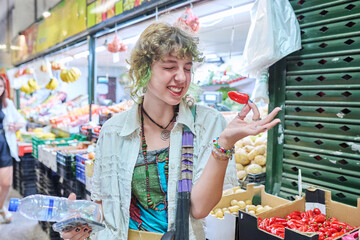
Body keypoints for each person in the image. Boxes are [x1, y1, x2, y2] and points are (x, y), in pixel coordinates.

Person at [62, 22, 281, 240]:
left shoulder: (207, 123)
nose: (182, 77)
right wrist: (81, 226)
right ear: (144, 70)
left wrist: (223, 144)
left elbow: (199, 209)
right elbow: (104, 207)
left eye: (187, 67)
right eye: (169, 67)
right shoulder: (113, 131)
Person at [0, 75, 26, 223]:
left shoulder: (7, 104)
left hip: (3, 144)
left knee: (6, 183)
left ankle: (1, 207)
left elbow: (21, 121)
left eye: (1, 86)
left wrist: (16, 126)